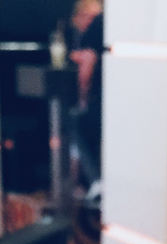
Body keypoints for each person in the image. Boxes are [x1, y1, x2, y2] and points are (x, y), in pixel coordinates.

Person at [69, 0, 103, 184]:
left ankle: (94, 181)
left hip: (96, 100)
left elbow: (85, 73)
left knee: (78, 125)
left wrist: (84, 99)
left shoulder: (94, 29)